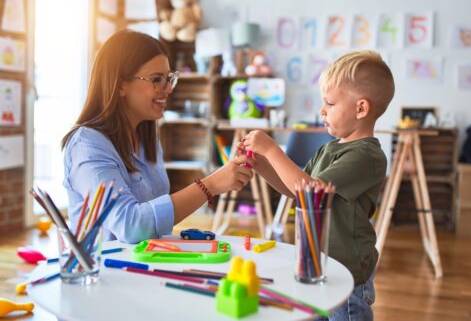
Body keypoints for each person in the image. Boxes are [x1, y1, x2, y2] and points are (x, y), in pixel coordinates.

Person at [241, 51, 395, 320]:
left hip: (347, 273)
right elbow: (297, 192)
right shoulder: (329, 149)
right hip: (318, 263)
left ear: (361, 109)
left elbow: (311, 190)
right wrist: (263, 165)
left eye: (330, 103)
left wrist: (272, 148)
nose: (322, 110)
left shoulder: (367, 156)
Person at [61, 30, 253, 243]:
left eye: (170, 78)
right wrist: (210, 185)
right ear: (121, 84)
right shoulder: (87, 145)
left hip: (143, 265)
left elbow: (151, 224)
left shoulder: (147, 139)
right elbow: (131, 226)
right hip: (102, 272)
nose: (169, 88)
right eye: (156, 79)